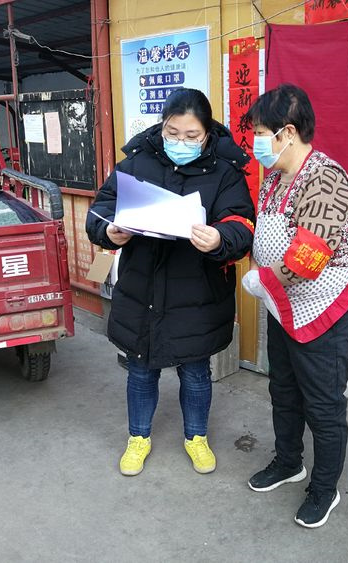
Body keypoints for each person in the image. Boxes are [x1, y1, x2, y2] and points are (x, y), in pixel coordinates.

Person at [86, 88, 255, 477]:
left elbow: (243, 223)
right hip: (142, 289)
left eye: (191, 136)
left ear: (207, 133)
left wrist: (220, 238)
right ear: (162, 127)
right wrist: (109, 231)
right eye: (172, 133)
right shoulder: (137, 161)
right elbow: (102, 208)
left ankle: (196, 437)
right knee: (140, 369)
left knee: (195, 372)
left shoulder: (225, 171)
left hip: (197, 293)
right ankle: (138, 437)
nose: (180, 142)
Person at [241, 84, 348, 528]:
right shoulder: (275, 179)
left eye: (260, 133)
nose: (256, 142)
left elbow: (310, 256)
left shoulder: (327, 178)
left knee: (323, 404)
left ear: (287, 132)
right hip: (283, 305)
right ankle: (289, 462)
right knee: (284, 391)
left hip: (324, 307)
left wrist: (262, 279)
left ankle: (324, 489)